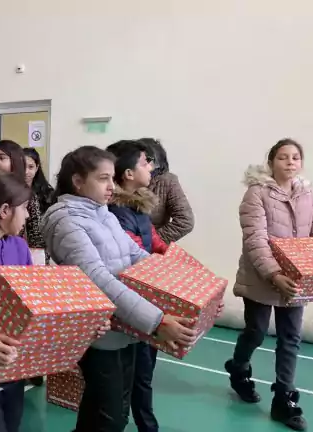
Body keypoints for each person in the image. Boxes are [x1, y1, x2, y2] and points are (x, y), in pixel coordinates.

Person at [0, 171, 108, 432]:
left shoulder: (19, 247)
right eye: (25, 208)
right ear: (4, 210)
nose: (27, 216)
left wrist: (86, 324)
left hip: (14, 370)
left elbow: (36, 304)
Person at [42, 146, 197, 432]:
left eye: (112, 178)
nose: (112, 186)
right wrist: (157, 320)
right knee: (111, 417)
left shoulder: (105, 215)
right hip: (99, 333)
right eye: (103, 179)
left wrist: (191, 292)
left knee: (103, 409)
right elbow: (98, 278)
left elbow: (139, 259)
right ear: (78, 181)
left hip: (124, 327)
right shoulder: (67, 221)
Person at [225, 139, 313, 431]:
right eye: (283, 157)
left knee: (290, 338)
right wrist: (274, 274)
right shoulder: (256, 194)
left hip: (296, 280)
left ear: (301, 163)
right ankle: (238, 368)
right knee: (256, 332)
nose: (290, 162)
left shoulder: (307, 193)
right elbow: (255, 240)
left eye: (295, 157)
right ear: (271, 162)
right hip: (262, 278)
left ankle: (284, 398)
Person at [106, 140, 168, 432]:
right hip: (131, 298)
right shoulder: (116, 213)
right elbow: (132, 257)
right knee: (137, 373)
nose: (151, 167)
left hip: (146, 293)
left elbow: (154, 242)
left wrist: (181, 266)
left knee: (143, 371)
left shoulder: (139, 205)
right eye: (145, 162)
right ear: (128, 173)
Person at [138, 138, 194, 243]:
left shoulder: (167, 181)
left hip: (150, 250)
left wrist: (150, 242)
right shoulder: (123, 178)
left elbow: (185, 221)